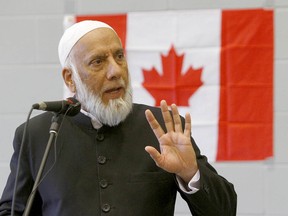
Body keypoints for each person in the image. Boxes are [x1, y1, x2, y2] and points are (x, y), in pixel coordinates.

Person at [0, 20, 237, 216]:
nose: (115, 71)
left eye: (119, 56)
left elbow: (225, 211)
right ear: (70, 78)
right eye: (98, 62)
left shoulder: (163, 127)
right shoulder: (37, 135)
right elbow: (13, 210)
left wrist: (190, 173)